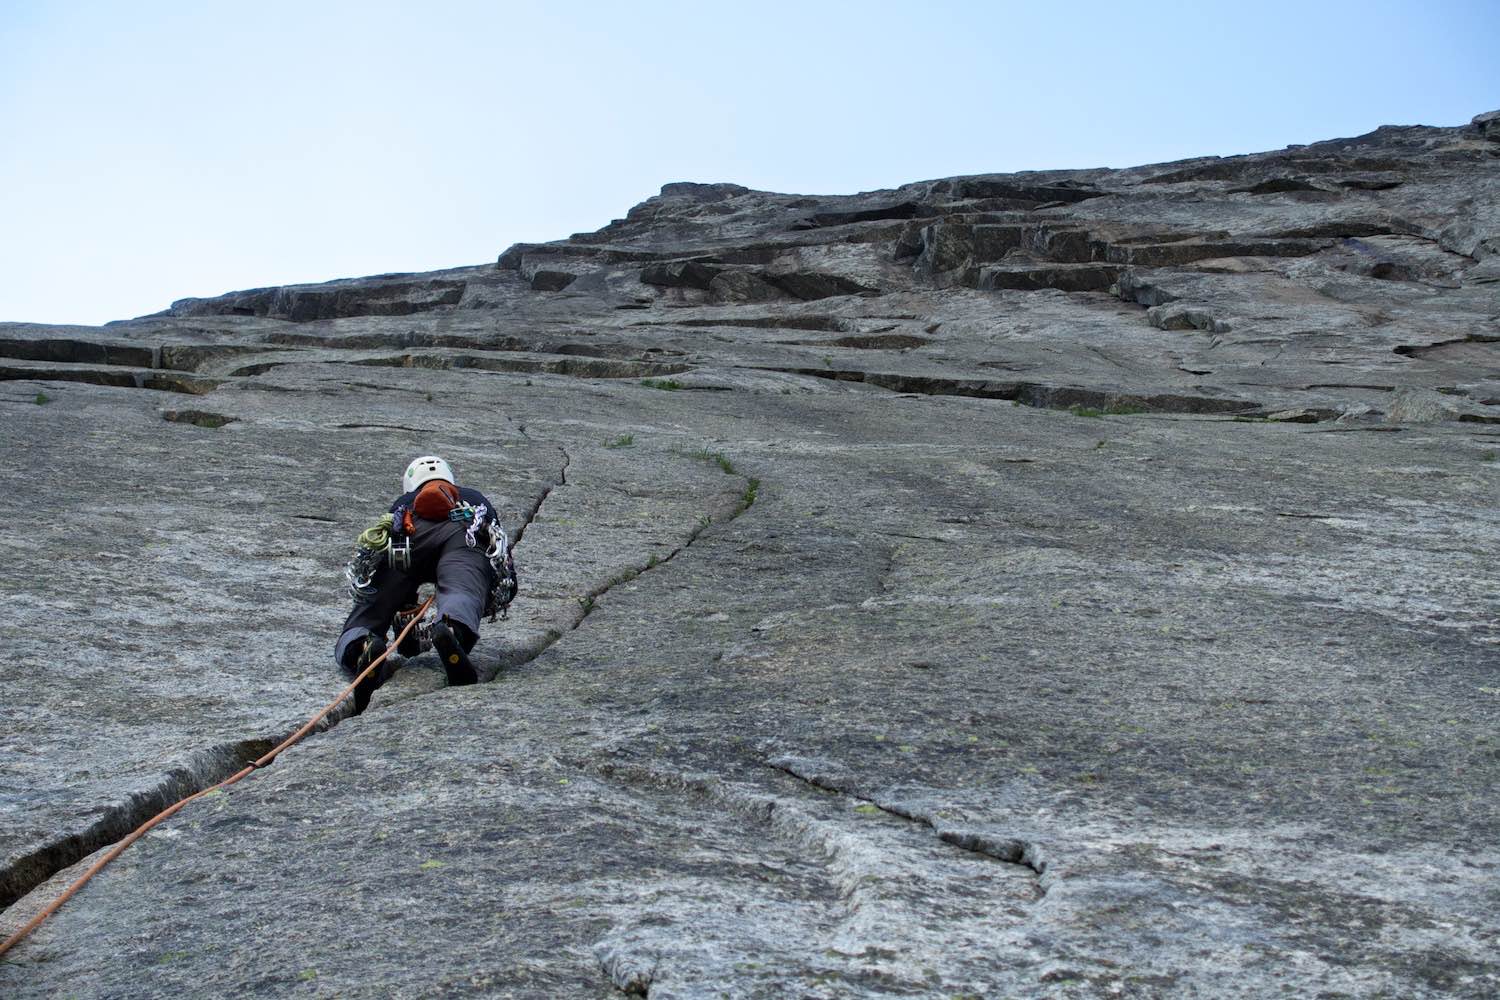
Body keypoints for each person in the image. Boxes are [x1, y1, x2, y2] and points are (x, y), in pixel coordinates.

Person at [334, 455, 516, 713]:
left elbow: (392, 583)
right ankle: (452, 628)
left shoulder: (403, 504)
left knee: (371, 610)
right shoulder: (475, 499)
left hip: (407, 538)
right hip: (465, 534)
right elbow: (502, 565)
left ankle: (361, 645)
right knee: (461, 589)